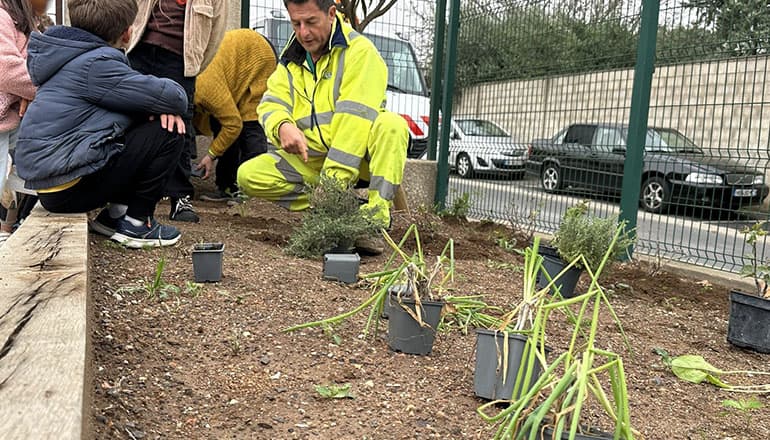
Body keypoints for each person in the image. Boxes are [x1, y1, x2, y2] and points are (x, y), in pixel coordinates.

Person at [237, 0, 408, 255]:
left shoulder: (360, 53)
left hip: (360, 159)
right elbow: (271, 102)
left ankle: (374, 219)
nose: (303, 33)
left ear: (331, 14)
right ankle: (349, 209)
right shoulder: (291, 59)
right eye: (296, 23)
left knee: (392, 126)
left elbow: (353, 128)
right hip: (312, 158)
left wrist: (331, 188)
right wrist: (282, 126)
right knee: (249, 175)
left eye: (311, 22)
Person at [15, 0, 189, 248]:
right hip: (70, 188)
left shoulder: (68, 56)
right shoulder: (98, 64)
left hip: (54, 184)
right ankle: (137, 224)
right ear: (127, 33)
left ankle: (115, 216)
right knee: (168, 130)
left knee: (142, 120)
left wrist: (150, 109)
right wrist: (161, 108)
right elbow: (175, 98)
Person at [126, 0, 227, 223]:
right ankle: (122, 197)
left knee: (179, 128)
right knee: (131, 120)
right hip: (139, 51)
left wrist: (193, 64)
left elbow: (216, 32)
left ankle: (180, 198)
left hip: (179, 62)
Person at [193, 28, 278, 202]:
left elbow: (234, 125)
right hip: (235, 63)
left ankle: (253, 193)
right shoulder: (194, 91)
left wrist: (210, 155)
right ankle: (227, 187)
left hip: (257, 55)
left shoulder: (204, 90)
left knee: (250, 126)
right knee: (219, 123)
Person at [0, 0, 49, 247]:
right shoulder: (1, 16)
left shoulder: (21, 19)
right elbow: (6, 69)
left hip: (10, 118)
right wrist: (40, 90)